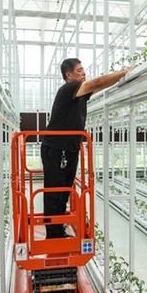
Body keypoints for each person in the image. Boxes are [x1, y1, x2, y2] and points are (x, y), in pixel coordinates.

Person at [41, 58, 133, 238]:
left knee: (65, 190)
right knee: (55, 191)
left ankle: (57, 229)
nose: (84, 73)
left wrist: (120, 78)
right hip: (56, 149)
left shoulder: (81, 93)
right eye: (80, 70)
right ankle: (52, 233)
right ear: (69, 75)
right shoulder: (68, 89)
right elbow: (97, 82)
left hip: (69, 149)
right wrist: (124, 71)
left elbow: (99, 86)